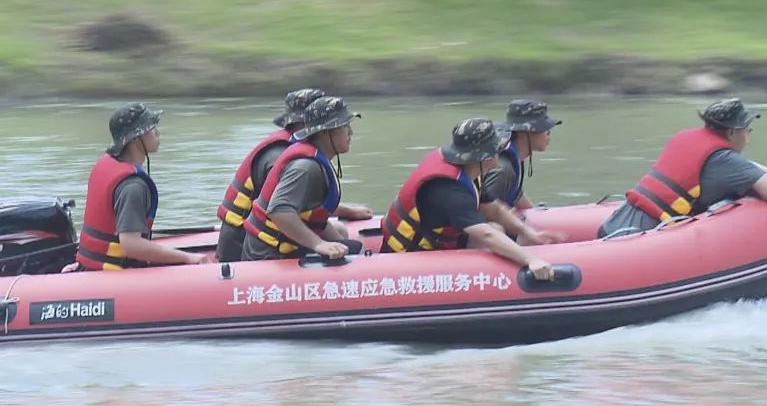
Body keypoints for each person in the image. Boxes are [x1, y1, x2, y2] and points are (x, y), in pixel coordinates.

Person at [598, 97, 767, 238]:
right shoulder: (724, 160)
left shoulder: (685, 138)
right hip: (636, 239)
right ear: (732, 133)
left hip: (614, 225)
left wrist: (750, 168)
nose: (748, 139)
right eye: (748, 131)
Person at [380, 118, 555, 280]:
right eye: (495, 150)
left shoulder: (468, 171)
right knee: (492, 231)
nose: (499, 154)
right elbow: (486, 235)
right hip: (410, 257)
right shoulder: (448, 189)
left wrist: (527, 232)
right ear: (483, 156)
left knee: (496, 227)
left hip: (436, 243)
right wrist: (531, 259)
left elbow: (495, 210)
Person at [216, 89, 373, 262]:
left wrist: (338, 238)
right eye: (344, 126)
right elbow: (279, 210)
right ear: (324, 131)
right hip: (259, 248)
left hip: (278, 240)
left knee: (346, 240)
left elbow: (308, 210)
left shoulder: (311, 158)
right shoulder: (302, 166)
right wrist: (319, 244)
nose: (351, 132)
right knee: (349, 248)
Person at [75, 103, 209, 271]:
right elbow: (131, 244)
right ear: (135, 138)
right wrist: (188, 258)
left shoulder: (106, 166)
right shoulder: (133, 187)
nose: (158, 133)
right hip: (111, 275)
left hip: (90, 269)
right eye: (151, 128)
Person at [484, 99, 562, 215]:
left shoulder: (515, 158)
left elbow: (516, 194)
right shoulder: (503, 169)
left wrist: (536, 214)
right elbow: (486, 213)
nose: (549, 135)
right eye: (545, 130)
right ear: (523, 133)